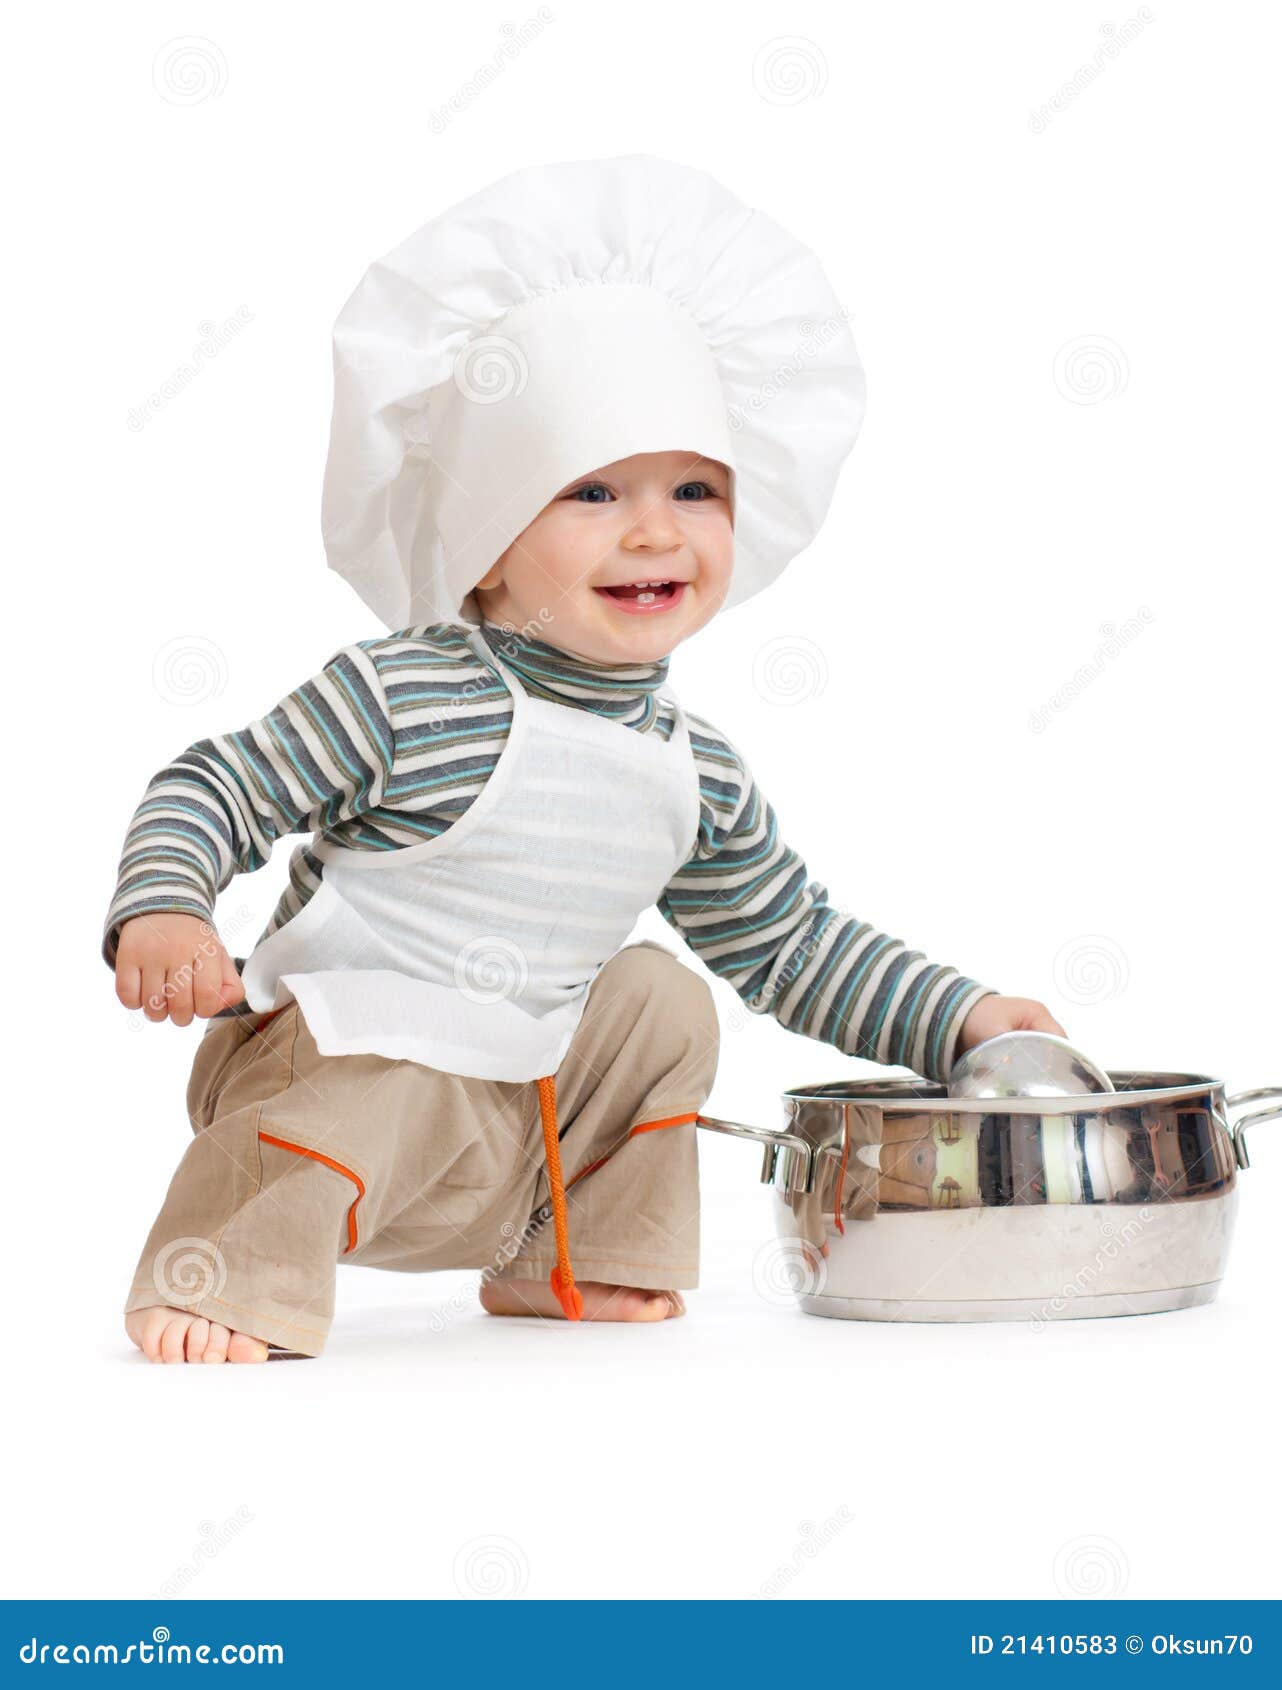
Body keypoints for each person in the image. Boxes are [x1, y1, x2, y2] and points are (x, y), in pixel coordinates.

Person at [104, 155, 1064, 1363]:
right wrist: (165, 906)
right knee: (406, 1059)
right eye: (595, 491)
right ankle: (224, 1264)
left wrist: (959, 1022)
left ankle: (570, 1252)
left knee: (661, 997)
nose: (655, 529)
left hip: (509, 1129)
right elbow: (218, 784)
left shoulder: (693, 770)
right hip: (321, 1093)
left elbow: (793, 943)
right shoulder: (402, 694)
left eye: (694, 488)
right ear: (483, 537)